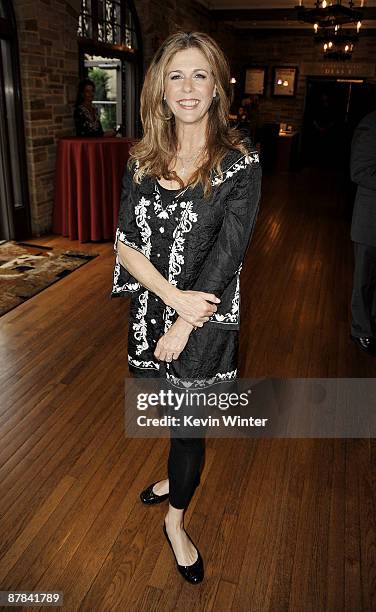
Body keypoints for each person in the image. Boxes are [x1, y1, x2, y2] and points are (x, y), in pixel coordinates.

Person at [110, 31, 262, 583]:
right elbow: (125, 243)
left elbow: (228, 258)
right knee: (167, 411)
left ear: (218, 85)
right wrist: (167, 299)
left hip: (205, 318)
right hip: (156, 307)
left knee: (188, 428)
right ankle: (176, 477)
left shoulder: (240, 165)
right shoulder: (141, 159)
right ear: (161, 88)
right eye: (176, 75)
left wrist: (181, 321)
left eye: (200, 74)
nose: (188, 86)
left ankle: (176, 522)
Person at [350, 108, 376, 355]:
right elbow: (359, 171)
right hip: (370, 223)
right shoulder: (370, 124)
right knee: (364, 281)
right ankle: (361, 330)